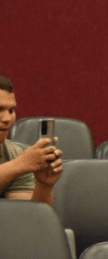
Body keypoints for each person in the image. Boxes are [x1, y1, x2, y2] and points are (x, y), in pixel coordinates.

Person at [0, 75, 63, 205]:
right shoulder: (21, 162)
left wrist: (44, 185)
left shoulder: (16, 155)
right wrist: (19, 165)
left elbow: (28, 214)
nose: (7, 119)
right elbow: (20, 164)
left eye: (11, 111)